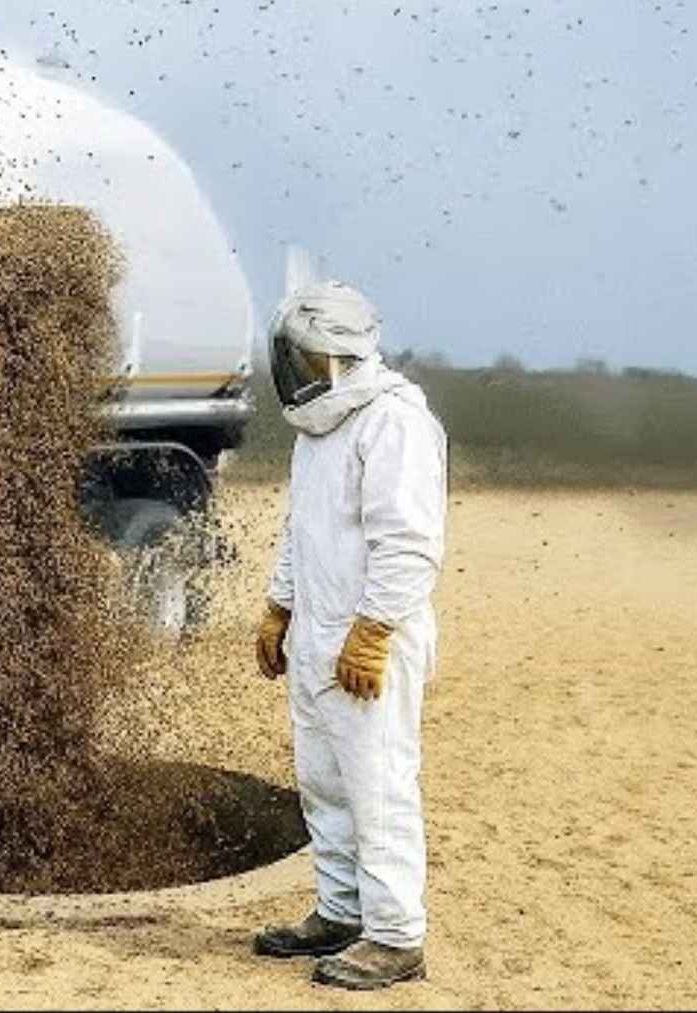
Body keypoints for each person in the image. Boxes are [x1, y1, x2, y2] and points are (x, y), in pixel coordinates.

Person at [250, 281, 448, 991]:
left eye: (306, 360)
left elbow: (409, 543)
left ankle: (396, 936)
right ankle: (339, 912)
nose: (298, 374)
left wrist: (371, 632)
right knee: (325, 783)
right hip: (318, 635)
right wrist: (280, 605)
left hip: (369, 643)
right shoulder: (321, 429)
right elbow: (300, 527)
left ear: (339, 356)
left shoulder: (393, 422)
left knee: (378, 785)